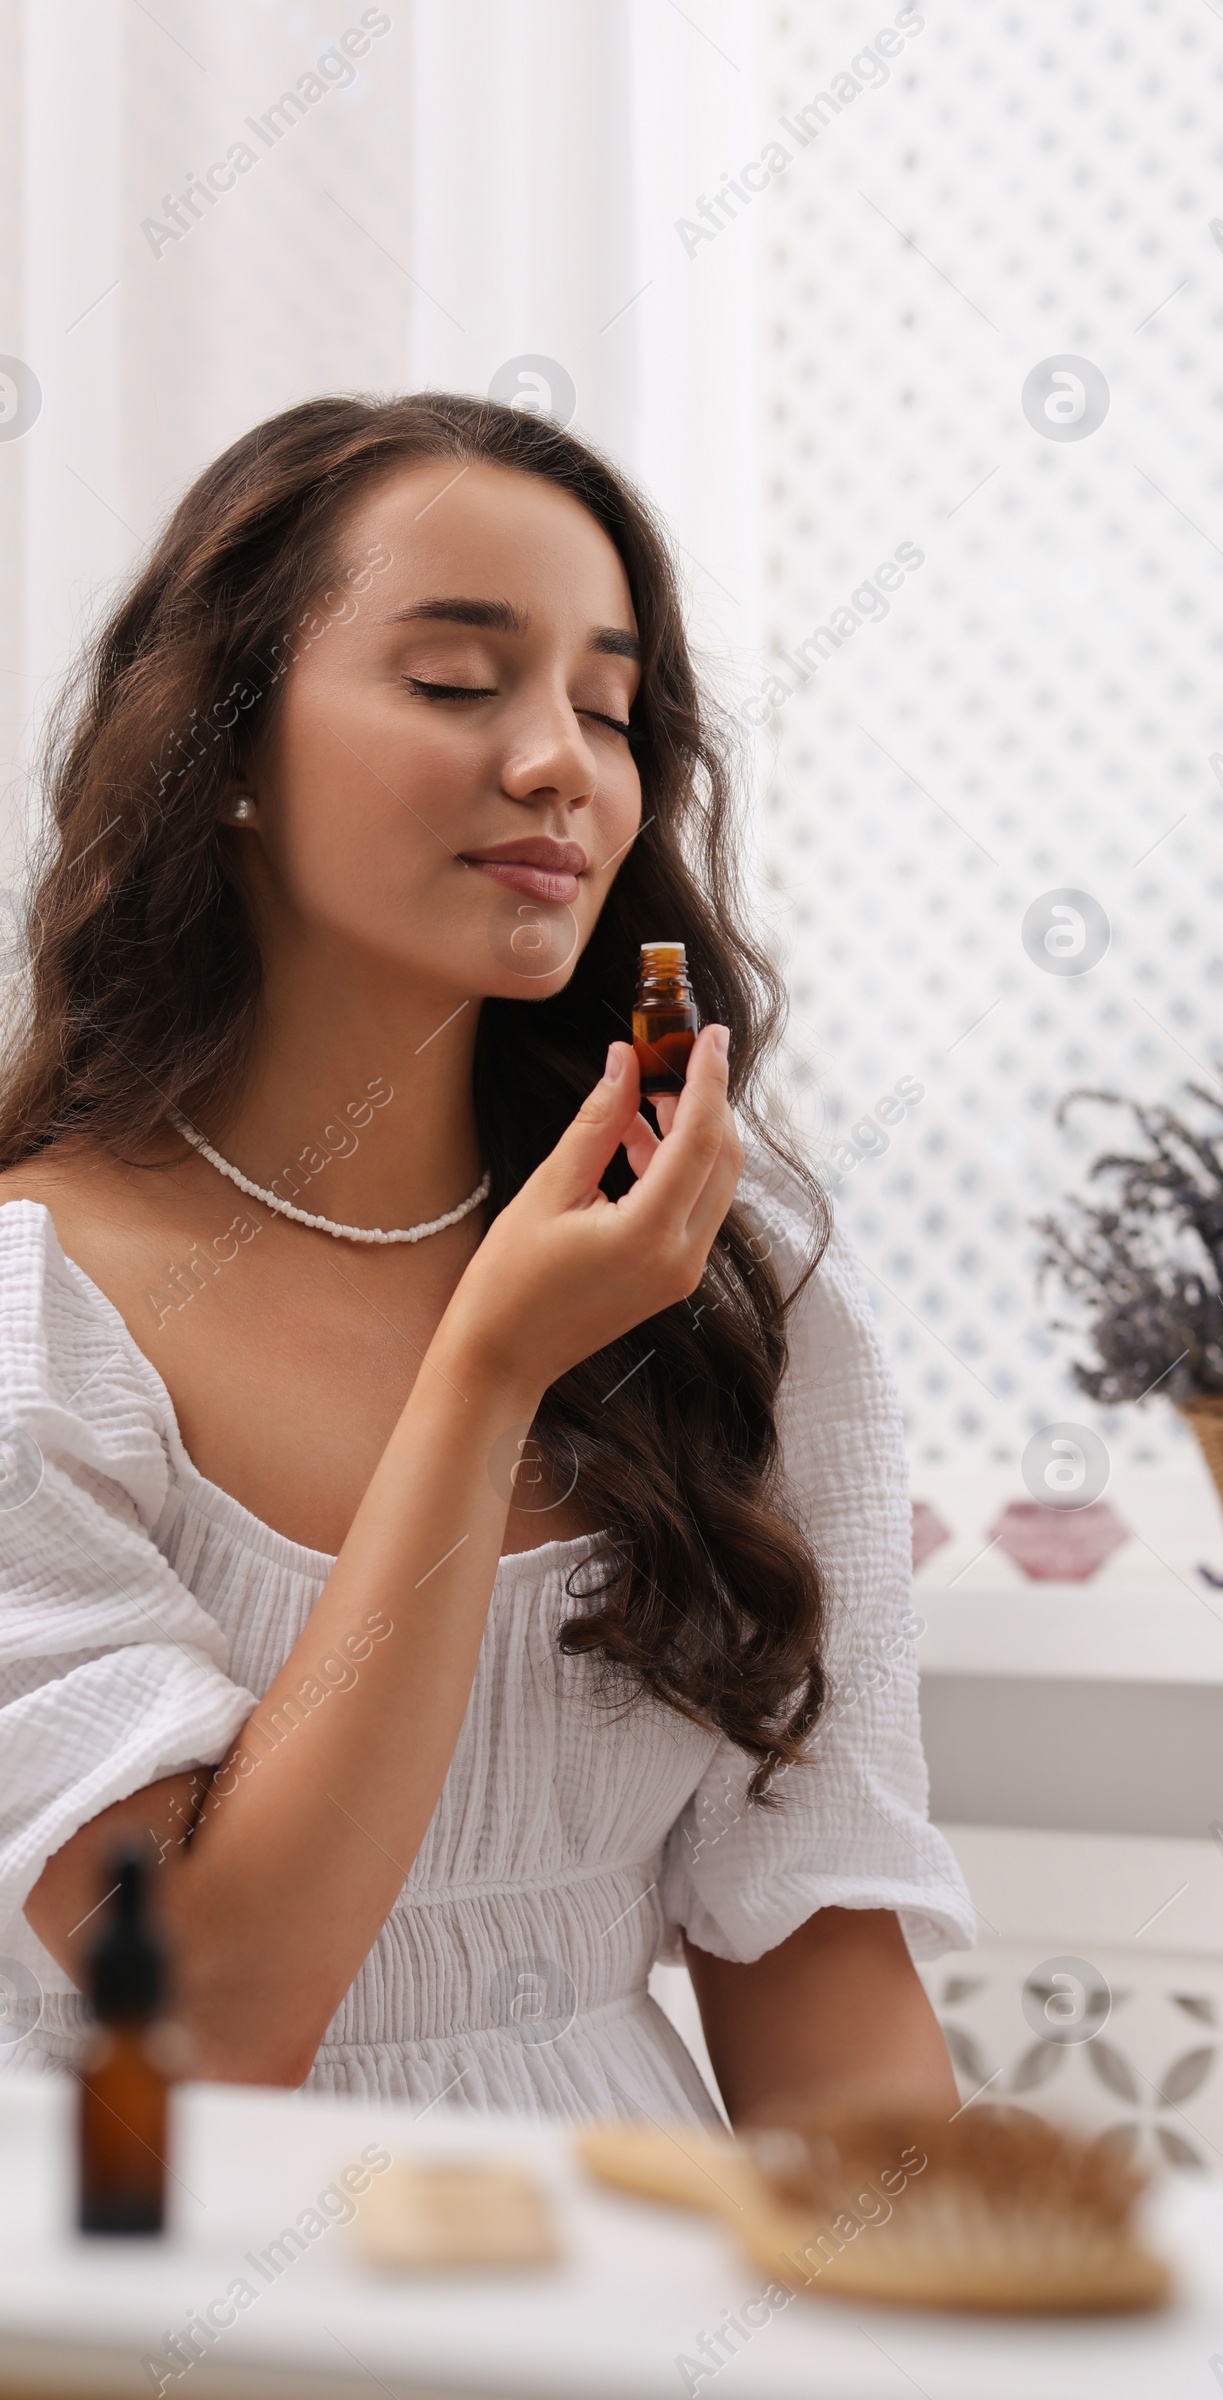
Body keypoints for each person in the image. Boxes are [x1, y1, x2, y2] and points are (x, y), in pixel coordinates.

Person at [0, 394, 973, 2125]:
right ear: (218, 749)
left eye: (608, 709)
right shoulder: (33, 1313)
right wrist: (490, 1369)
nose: (561, 764)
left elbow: (824, 2000)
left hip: (614, 2277)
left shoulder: (731, 1294)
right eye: (457, 682)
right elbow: (211, 2020)